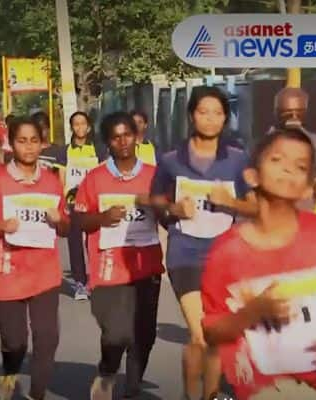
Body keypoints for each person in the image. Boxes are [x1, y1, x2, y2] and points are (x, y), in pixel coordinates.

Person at [202, 128, 316, 400]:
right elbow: (212, 331)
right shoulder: (226, 251)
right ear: (252, 175)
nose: (287, 169)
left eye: (300, 166)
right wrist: (251, 313)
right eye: (277, 160)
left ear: (310, 185)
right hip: (263, 390)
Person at [150, 86, 258, 400]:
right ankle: (190, 393)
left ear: (225, 119)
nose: (210, 119)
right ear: (191, 115)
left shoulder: (237, 160)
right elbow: (156, 201)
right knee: (201, 333)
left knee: (217, 337)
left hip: (224, 256)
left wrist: (231, 203)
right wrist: (173, 209)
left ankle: (210, 395)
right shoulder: (171, 161)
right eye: (203, 112)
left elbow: (255, 207)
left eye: (217, 113)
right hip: (185, 252)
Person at [0, 117, 69, 400]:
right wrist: (2, 226)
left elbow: (65, 228)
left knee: (47, 338)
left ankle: (36, 394)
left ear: (43, 144)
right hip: (7, 272)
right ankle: (10, 370)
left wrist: (60, 220)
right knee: (15, 343)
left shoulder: (51, 182)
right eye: (22, 141)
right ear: (11, 144)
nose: (28, 147)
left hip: (44, 272)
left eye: (34, 141)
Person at [74, 112, 164, 399]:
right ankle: (108, 370)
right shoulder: (95, 178)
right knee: (116, 334)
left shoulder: (154, 176)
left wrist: (157, 205)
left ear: (136, 137)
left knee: (145, 334)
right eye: (116, 137)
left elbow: (171, 216)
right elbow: (79, 222)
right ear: (108, 142)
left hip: (146, 266)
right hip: (108, 268)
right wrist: (102, 218)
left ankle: (133, 387)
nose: (123, 141)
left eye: (128, 134)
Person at [269, 87, 316, 210]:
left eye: (299, 113)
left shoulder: (315, 141)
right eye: (287, 113)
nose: (294, 118)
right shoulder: (266, 144)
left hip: (306, 209)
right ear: (277, 113)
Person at [65, 111, 100, 301]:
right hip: (73, 204)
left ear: (89, 127)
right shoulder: (66, 151)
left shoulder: (98, 149)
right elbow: (62, 178)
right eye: (76, 124)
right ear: (72, 127)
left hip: (93, 204)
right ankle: (79, 281)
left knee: (94, 242)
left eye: (83, 124)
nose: (80, 128)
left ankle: (94, 279)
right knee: (75, 243)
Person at [33, 111, 66, 180]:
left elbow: (61, 178)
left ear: (48, 128)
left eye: (43, 128)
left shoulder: (58, 151)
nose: (40, 131)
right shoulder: (28, 150)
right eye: (37, 129)